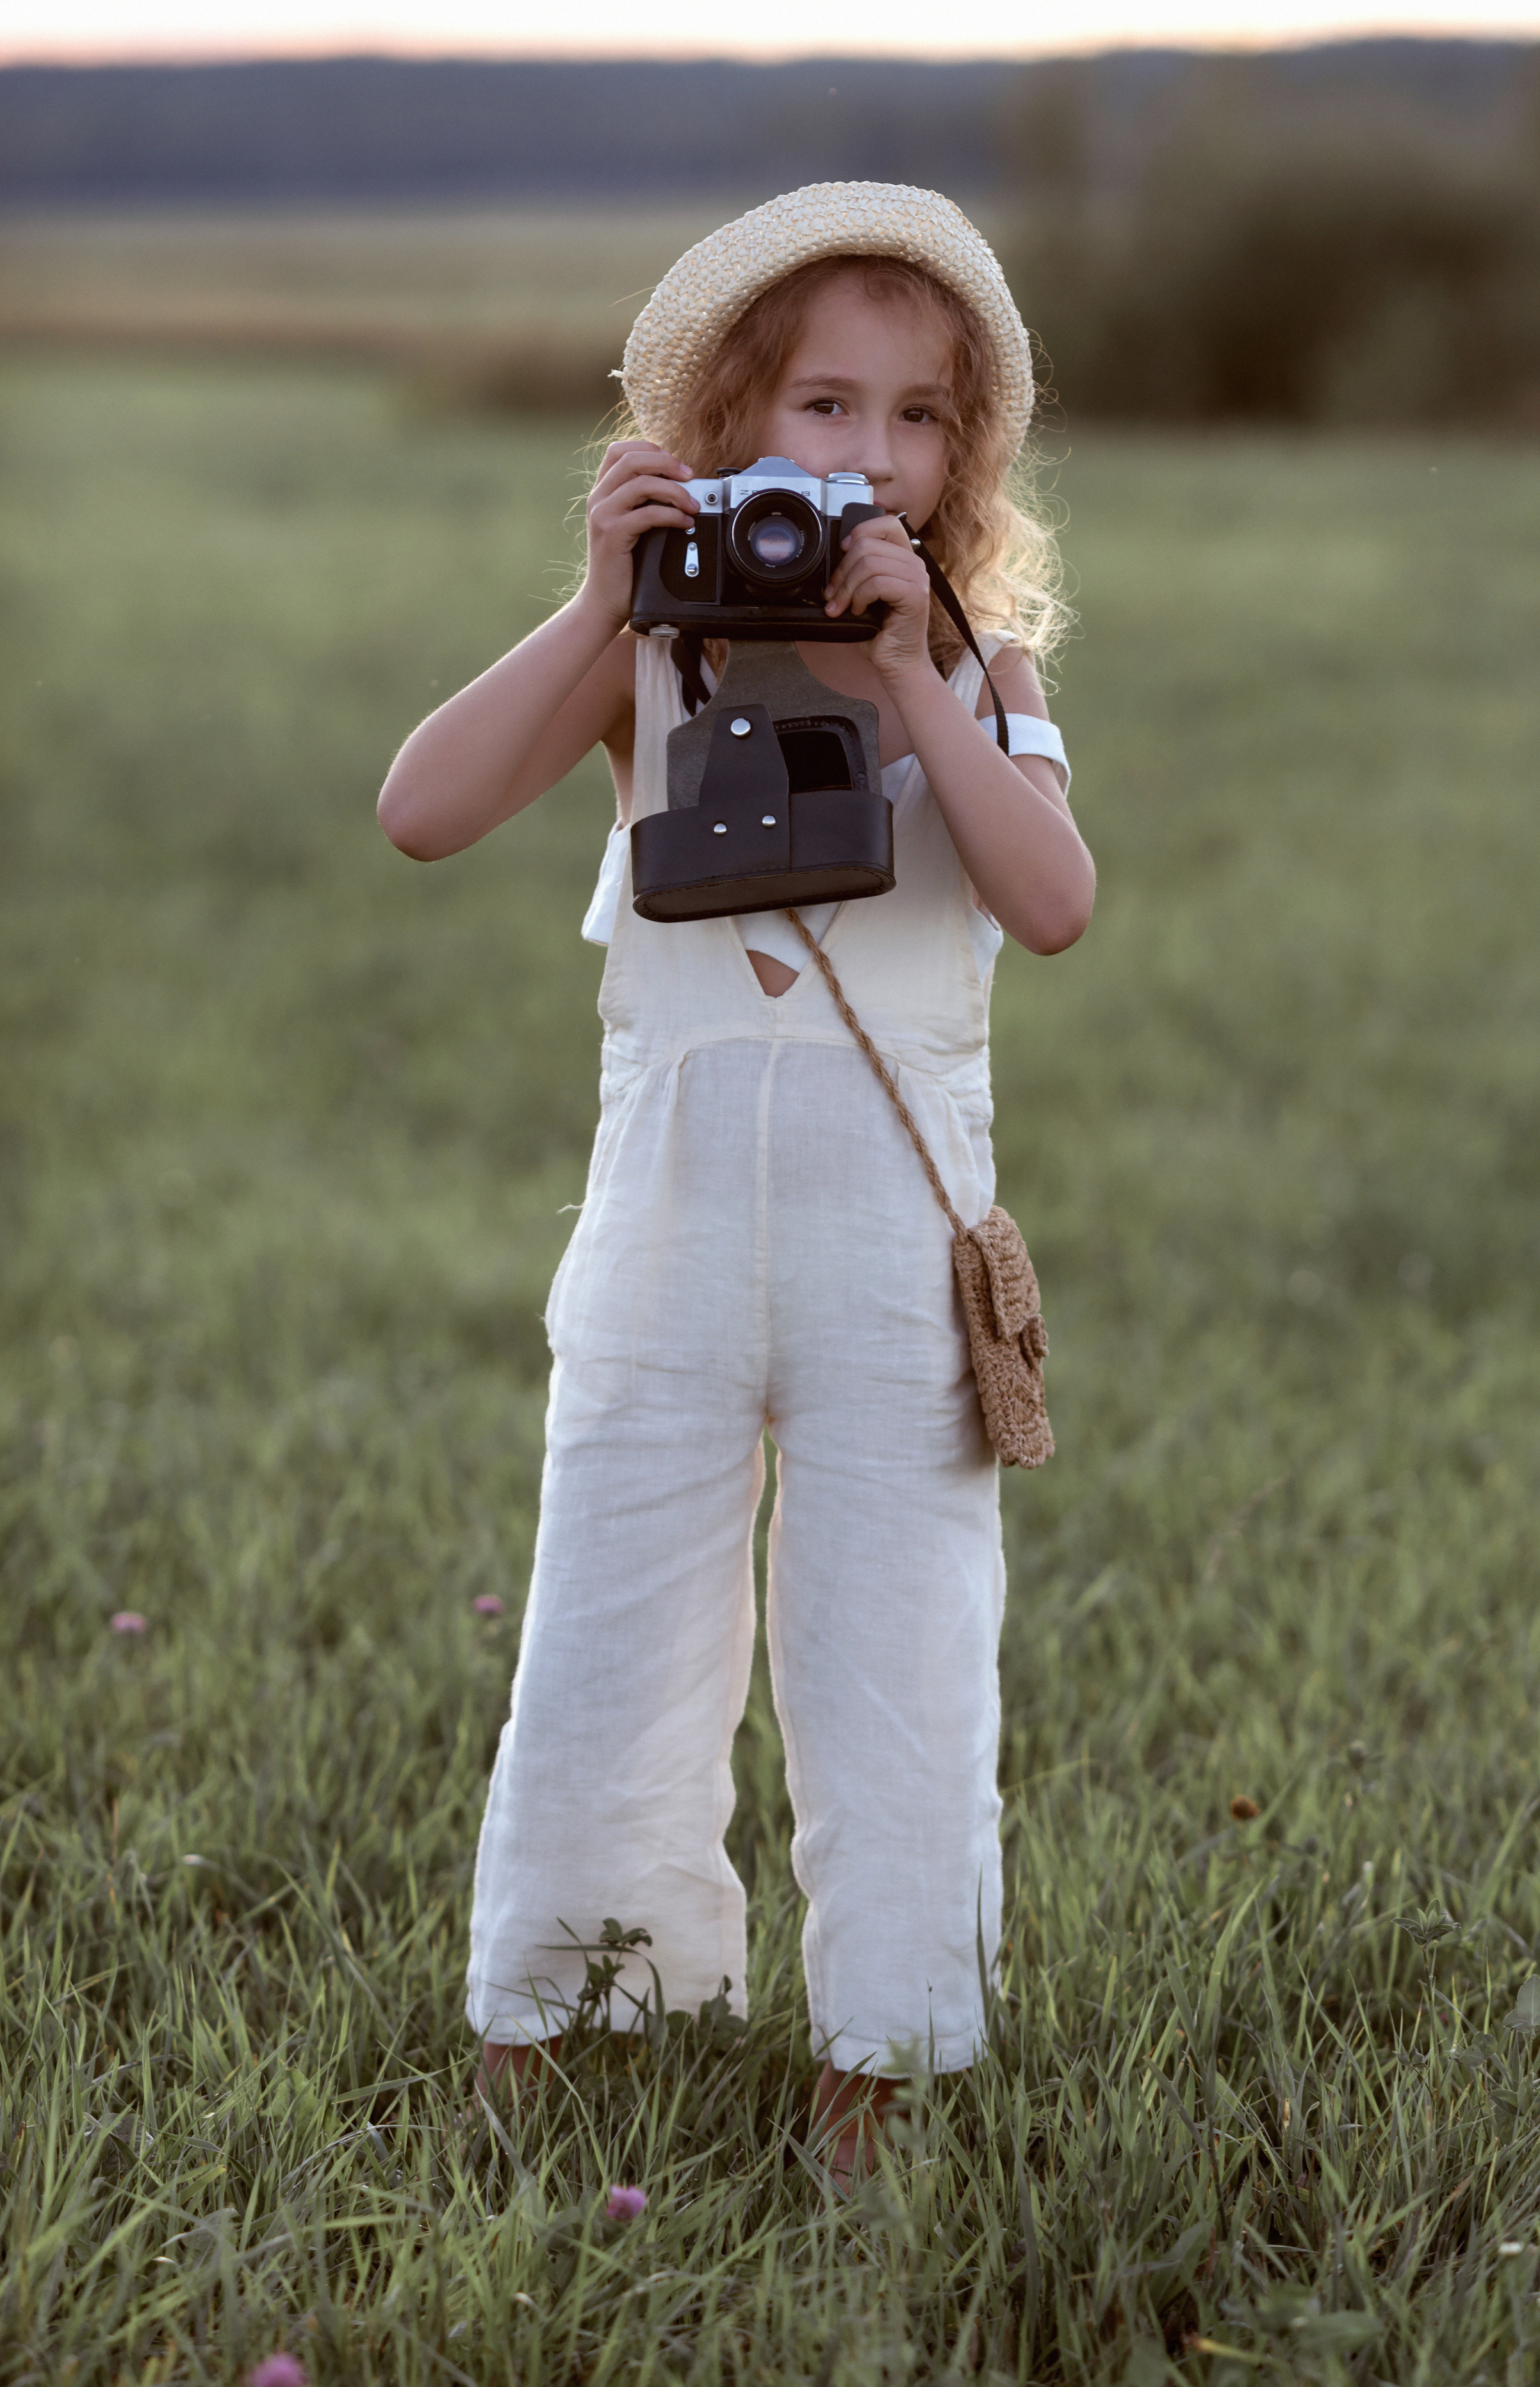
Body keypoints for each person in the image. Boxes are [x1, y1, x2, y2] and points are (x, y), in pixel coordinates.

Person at [377, 183, 1095, 2185]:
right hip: (666, 1243)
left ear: (964, 456)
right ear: (724, 426)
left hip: (891, 1264)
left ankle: (887, 2055)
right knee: (609, 1639)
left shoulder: (988, 670)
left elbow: (1052, 901)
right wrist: (599, 604)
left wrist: (915, 680)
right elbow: (421, 810)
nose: (870, 454)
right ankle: (563, 2009)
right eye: (823, 405)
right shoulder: (652, 649)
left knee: (903, 1662)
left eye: (920, 416)